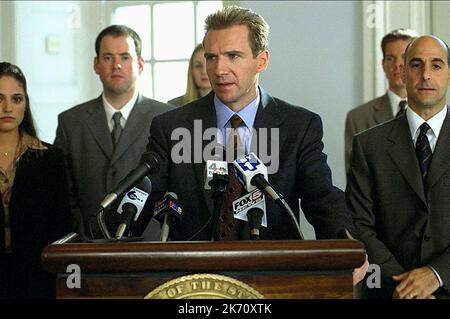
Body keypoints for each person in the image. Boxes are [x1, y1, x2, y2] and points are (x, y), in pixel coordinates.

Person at [146, 6, 367, 284]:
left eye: (233, 56)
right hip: (192, 281)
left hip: (273, 279)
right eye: (211, 57)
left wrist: (345, 245)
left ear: (261, 61)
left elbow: (321, 196)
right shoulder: (170, 127)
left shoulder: (298, 126)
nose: (219, 69)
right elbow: (145, 200)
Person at [346, 35, 450, 299]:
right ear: (403, 73)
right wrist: (407, 286)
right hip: (390, 291)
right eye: (416, 65)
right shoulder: (368, 145)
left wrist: (437, 274)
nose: (426, 74)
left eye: (436, 65)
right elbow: (360, 225)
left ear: (448, 73)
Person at [54, 25, 172, 240]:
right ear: (96, 64)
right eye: (107, 57)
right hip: (90, 246)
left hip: (151, 246)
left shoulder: (167, 118)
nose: (116, 65)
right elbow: (62, 194)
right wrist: (83, 231)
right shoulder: (70, 122)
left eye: (125, 57)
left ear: (140, 64)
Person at [0, 62, 71, 298]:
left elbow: (61, 229)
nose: (8, 107)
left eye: (16, 99)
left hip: (35, 281)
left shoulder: (49, 159)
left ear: (25, 104)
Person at [344, 29, 418, 172]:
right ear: (383, 64)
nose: (398, 65)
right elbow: (355, 177)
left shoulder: (433, 113)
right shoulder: (358, 118)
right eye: (390, 58)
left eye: (404, 57)